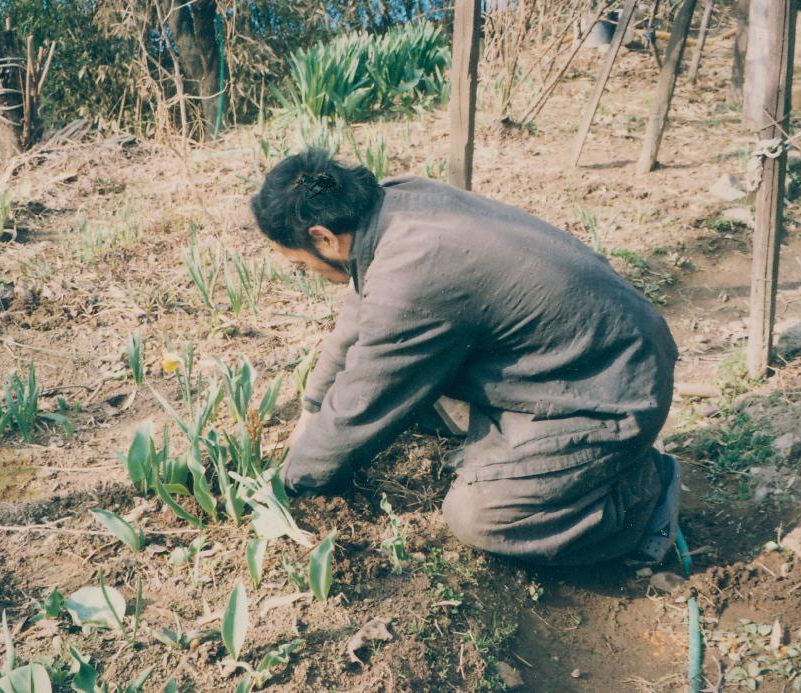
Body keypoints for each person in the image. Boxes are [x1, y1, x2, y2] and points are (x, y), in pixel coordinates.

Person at [250, 149, 680, 566]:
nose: (310, 275)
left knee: (481, 517)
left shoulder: (413, 273)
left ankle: (642, 497)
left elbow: (364, 399)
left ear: (322, 238)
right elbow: (358, 322)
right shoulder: (395, 203)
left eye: (301, 265)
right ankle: (529, 456)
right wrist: (310, 410)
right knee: (415, 402)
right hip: (580, 355)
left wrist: (292, 483)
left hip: (609, 391)